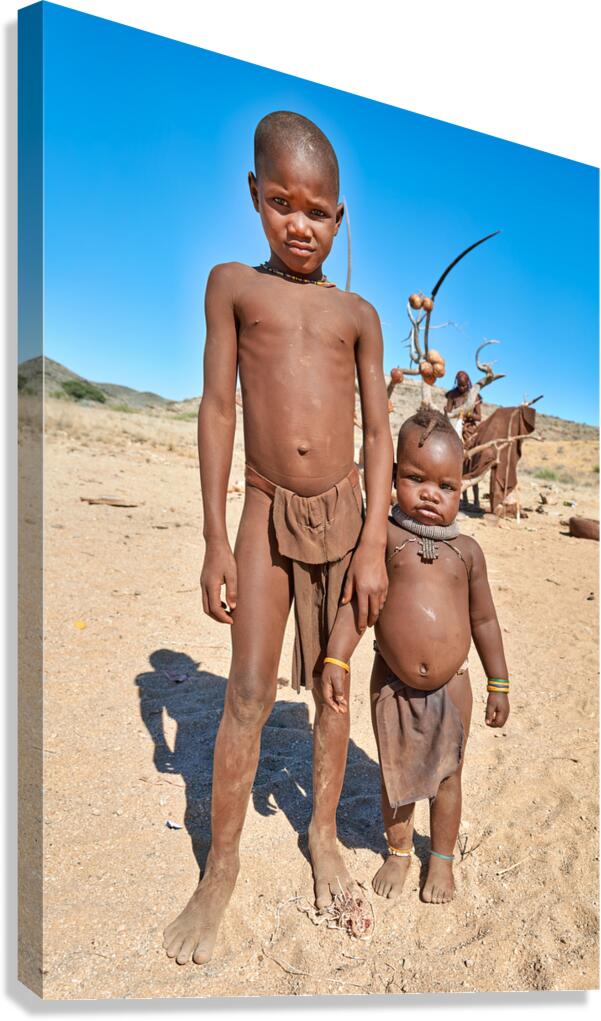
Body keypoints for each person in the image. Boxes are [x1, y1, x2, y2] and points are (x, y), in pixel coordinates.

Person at [162, 111, 393, 965]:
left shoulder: (359, 313)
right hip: (261, 509)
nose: (301, 223)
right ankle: (218, 869)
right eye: (282, 203)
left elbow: (378, 433)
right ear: (254, 196)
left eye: (319, 210)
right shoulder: (233, 287)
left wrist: (372, 544)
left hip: (343, 517)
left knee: (331, 688)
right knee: (249, 692)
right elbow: (218, 406)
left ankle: (322, 836)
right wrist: (215, 538)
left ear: (341, 217)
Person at [320, 408, 510, 905]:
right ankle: (400, 851)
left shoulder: (467, 552)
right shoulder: (384, 540)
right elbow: (356, 606)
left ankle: (442, 859)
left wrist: (500, 682)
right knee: (396, 775)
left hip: (454, 686)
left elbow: (485, 622)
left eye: (447, 486)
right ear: (393, 476)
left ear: (461, 488)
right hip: (393, 684)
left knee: (449, 775)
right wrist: (337, 659)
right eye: (415, 478)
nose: (430, 493)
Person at [445, 370, 483, 511]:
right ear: (456, 382)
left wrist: (468, 414)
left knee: (470, 464)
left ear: (468, 382)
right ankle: (462, 499)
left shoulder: (475, 395)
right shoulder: (451, 395)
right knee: (458, 466)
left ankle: (476, 501)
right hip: (455, 430)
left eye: (464, 385)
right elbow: (447, 412)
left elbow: (479, 417)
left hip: (469, 433)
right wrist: (454, 415)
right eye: (459, 385)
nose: (462, 388)